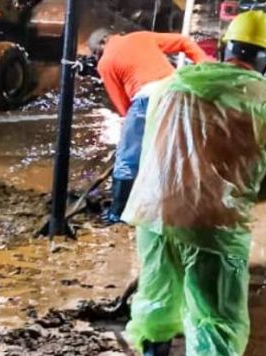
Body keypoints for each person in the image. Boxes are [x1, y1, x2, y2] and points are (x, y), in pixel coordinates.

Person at [121, 11, 266, 356]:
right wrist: (232, 194)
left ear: (227, 47)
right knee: (216, 316)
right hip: (217, 226)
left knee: (157, 295)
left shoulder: (173, 86)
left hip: (154, 212)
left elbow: (146, 148)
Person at [87, 27, 213, 223]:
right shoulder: (141, 36)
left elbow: (123, 107)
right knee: (180, 152)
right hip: (180, 93)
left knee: (127, 160)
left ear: (99, 48)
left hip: (146, 99)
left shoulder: (105, 62)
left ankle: (117, 213)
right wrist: (205, 64)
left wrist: (133, 131)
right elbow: (183, 41)